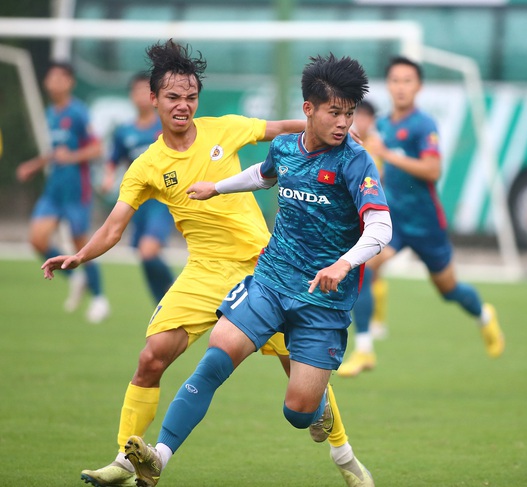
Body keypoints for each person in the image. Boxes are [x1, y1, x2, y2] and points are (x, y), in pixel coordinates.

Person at [41, 42, 371, 487]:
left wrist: (339, 128)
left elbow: (285, 127)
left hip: (264, 268)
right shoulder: (146, 166)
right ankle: (127, 461)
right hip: (203, 273)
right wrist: (81, 254)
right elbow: (115, 226)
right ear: (153, 98)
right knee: (151, 359)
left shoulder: (225, 129)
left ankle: (344, 456)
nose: (183, 106)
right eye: (173, 97)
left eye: (190, 97)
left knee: (300, 379)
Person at [338, 56, 504, 378]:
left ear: (419, 87)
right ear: (389, 86)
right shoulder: (382, 125)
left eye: (407, 81)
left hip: (427, 224)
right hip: (395, 223)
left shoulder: (423, 125)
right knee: (363, 269)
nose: (401, 87)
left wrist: (388, 155)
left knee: (449, 290)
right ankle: (364, 349)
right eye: (395, 81)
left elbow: (433, 170)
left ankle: (484, 315)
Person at [17, 61, 110, 323]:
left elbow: (97, 149)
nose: (53, 82)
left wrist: (72, 157)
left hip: (75, 191)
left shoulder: (78, 113)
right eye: (51, 77)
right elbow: (56, 151)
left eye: (60, 78)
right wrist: (34, 165)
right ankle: (76, 276)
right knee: (37, 240)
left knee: (83, 246)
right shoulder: (50, 113)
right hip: (53, 190)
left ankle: (100, 299)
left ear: (69, 82)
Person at [101, 73, 174, 304]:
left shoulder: (167, 125)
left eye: (145, 91)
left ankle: (174, 293)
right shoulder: (124, 131)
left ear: (154, 96)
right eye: (137, 91)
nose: (141, 96)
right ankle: (161, 305)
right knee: (143, 255)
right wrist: (108, 177)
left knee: (148, 250)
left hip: (162, 200)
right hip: (137, 202)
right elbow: (114, 159)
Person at [352, 100, 388, 340]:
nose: (362, 121)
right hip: (351, 214)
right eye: (359, 115)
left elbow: (380, 179)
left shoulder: (376, 145)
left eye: (367, 117)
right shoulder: (346, 140)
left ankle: (376, 321)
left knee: (374, 269)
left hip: (371, 212)